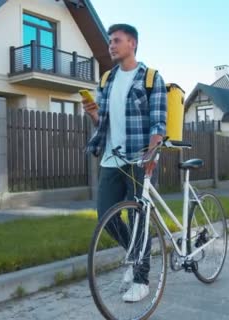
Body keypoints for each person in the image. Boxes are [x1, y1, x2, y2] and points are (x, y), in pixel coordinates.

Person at [83, 23, 167, 302]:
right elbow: (103, 122)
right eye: (110, 41)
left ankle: (142, 279)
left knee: (138, 217)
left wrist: (152, 153)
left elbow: (158, 121)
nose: (111, 45)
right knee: (105, 214)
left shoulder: (151, 78)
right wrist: (93, 114)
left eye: (116, 40)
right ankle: (134, 254)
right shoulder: (106, 79)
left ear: (132, 43)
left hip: (139, 157)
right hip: (111, 157)